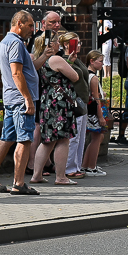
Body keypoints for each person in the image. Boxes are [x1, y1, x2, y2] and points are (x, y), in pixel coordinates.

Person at [0, 11, 48, 195]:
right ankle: (18, 183)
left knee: (6, 138)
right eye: (30, 25)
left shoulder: (6, 42)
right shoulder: (16, 44)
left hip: (11, 98)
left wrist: (46, 55)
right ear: (19, 23)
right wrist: (28, 99)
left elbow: (27, 69)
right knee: (24, 139)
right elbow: (17, 73)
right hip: (20, 100)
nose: (32, 30)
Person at [29, 32, 81, 186]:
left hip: (48, 101)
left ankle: (36, 175)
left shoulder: (43, 60)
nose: (59, 43)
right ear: (50, 44)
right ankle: (61, 177)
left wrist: (69, 62)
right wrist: (71, 63)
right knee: (63, 139)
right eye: (56, 41)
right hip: (59, 103)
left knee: (47, 141)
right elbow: (75, 77)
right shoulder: (56, 59)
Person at [62, 33, 92, 179]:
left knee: (80, 136)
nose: (79, 46)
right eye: (76, 43)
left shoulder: (77, 60)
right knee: (73, 136)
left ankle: (77, 165)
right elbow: (67, 76)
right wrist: (70, 61)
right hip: (74, 102)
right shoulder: (64, 60)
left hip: (82, 101)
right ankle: (68, 168)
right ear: (66, 44)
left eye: (79, 43)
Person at [81, 50, 108, 176]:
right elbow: (96, 98)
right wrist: (101, 116)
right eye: (100, 61)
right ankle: (91, 166)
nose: (102, 64)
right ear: (92, 61)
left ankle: (86, 165)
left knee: (95, 138)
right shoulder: (94, 77)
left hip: (90, 111)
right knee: (97, 138)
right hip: (94, 111)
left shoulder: (87, 74)